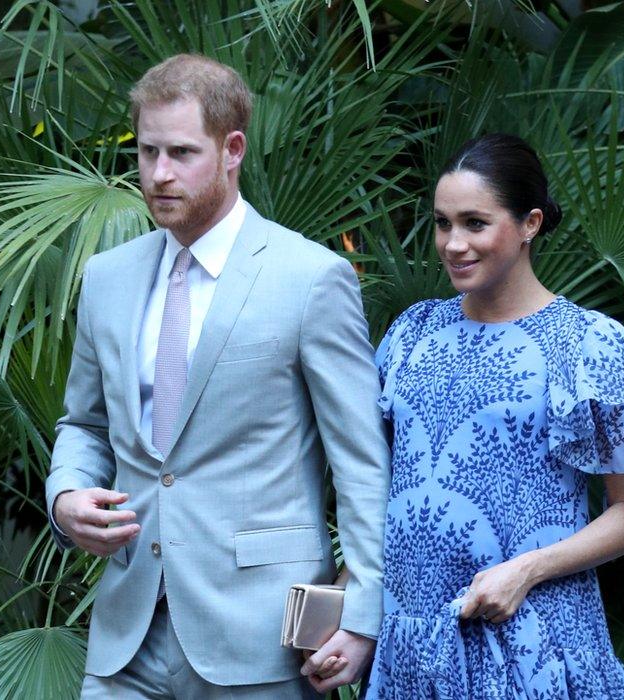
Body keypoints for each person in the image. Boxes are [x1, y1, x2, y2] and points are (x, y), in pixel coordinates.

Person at [45, 53, 390, 699]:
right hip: (126, 634)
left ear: (232, 149)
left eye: (181, 152)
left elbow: (361, 463)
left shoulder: (310, 278)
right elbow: (84, 424)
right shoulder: (107, 278)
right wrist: (66, 497)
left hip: (260, 639)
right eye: (147, 152)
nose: (159, 174)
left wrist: (364, 616)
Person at [361, 133, 624, 697]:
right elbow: (381, 486)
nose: (453, 244)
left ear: (531, 223)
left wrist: (526, 570)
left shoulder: (587, 344)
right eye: (443, 223)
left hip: (531, 642)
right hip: (412, 647)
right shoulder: (411, 333)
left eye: (475, 223)